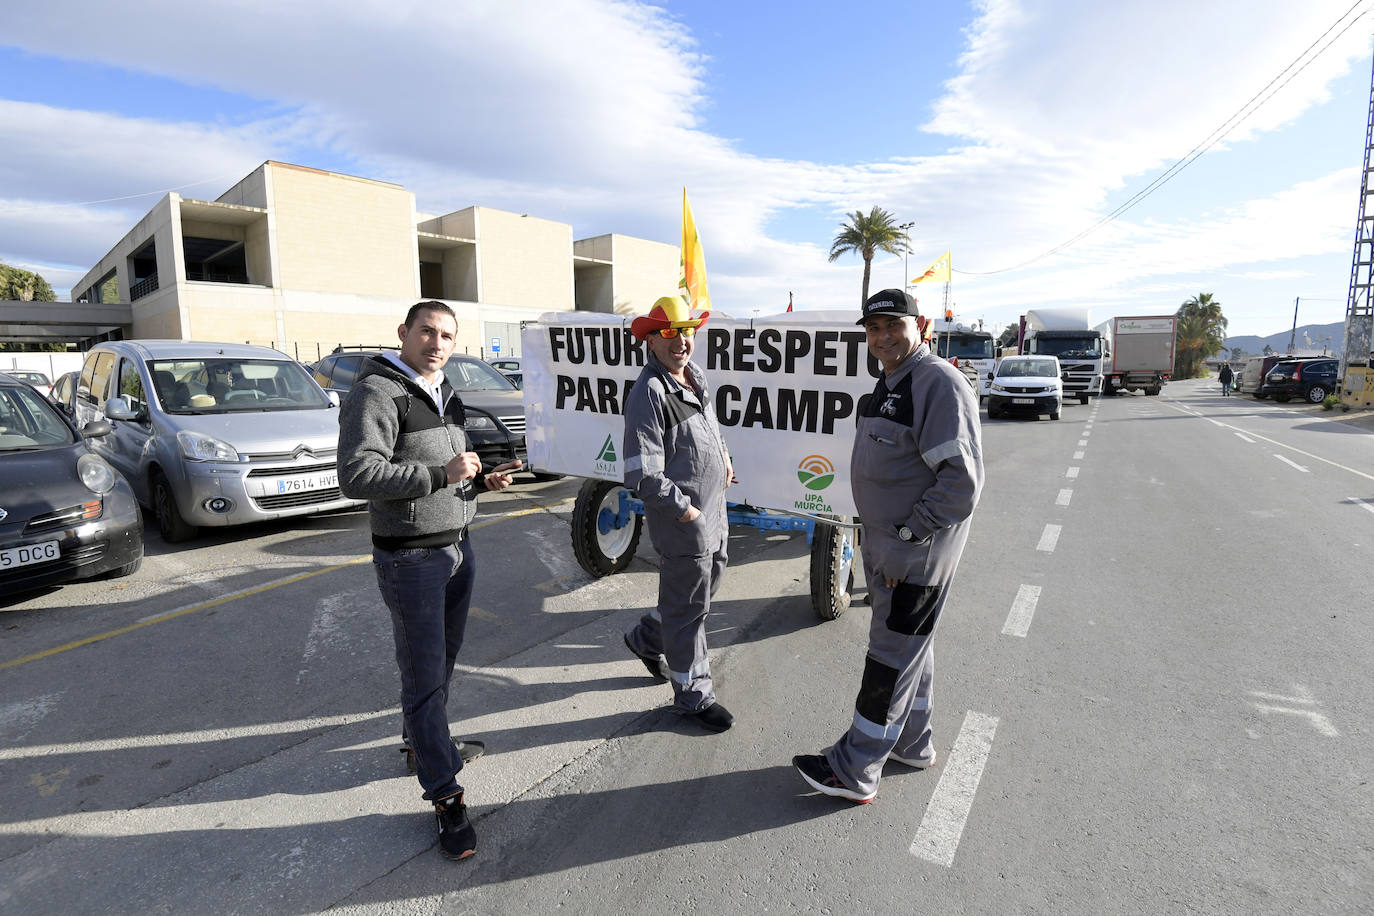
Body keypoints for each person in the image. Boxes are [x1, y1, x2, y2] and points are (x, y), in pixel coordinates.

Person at [337, 300, 521, 861]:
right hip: (411, 560)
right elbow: (357, 474)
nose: (436, 343)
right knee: (423, 677)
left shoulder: (444, 392)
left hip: (459, 548)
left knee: (438, 667)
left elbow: (449, 469)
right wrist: (440, 475)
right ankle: (446, 796)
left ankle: (425, 743)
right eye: (426, 332)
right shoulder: (378, 393)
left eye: (446, 335)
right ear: (403, 333)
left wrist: (477, 484)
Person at [794, 288, 984, 804]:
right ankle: (913, 744)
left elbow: (961, 484)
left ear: (919, 325)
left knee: (888, 659)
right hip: (888, 547)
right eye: (873, 329)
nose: (882, 338)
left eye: (892, 326)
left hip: (911, 554)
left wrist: (906, 538)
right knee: (909, 652)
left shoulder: (938, 383)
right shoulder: (891, 382)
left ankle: (856, 770)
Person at [621, 294, 736, 733]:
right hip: (684, 522)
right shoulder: (648, 391)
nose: (680, 341)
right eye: (668, 333)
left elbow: (711, 428)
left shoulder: (694, 378)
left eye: (686, 331)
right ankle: (693, 695)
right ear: (650, 340)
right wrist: (685, 511)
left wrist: (724, 457)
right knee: (689, 609)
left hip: (715, 513)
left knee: (704, 592)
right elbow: (642, 473)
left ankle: (646, 637)